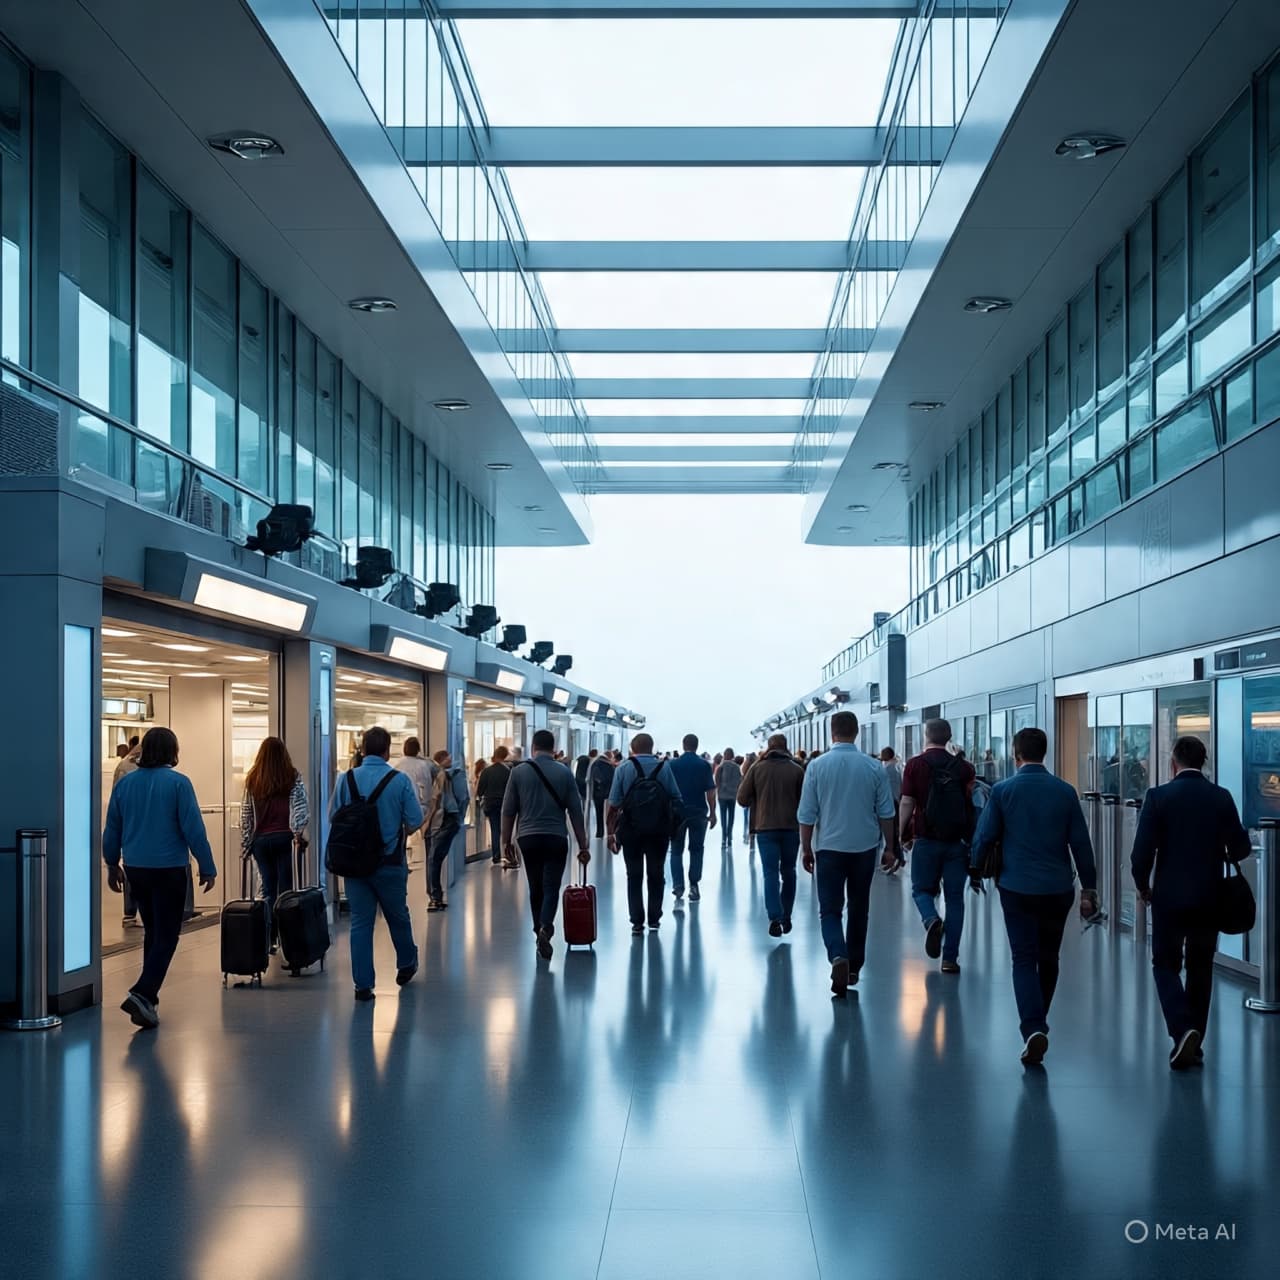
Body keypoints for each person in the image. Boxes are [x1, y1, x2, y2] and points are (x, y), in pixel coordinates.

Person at [969, 727, 1099, 1066]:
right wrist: (1089, 888)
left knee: (1023, 958)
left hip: (1017, 887)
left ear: (1015, 753)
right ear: (1045, 752)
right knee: (1049, 957)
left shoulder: (1003, 790)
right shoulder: (1064, 792)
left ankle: (1033, 1026)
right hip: (1058, 888)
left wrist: (974, 868)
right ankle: (1038, 1019)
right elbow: (1081, 844)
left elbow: (984, 836)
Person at [1130, 735, 1252, 1070]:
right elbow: (1241, 849)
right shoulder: (1221, 797)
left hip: (1168, 898)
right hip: (1210, 896)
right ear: (1204, 762)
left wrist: (1142, 886)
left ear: (1173, 763)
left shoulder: (1158, 797)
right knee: (1200, 967)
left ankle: (1182, 1030)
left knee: (1164, 965)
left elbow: (1141, 854)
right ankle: (1194, 1040)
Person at [102, 727, 217, 1029]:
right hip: (169, 868)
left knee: (153, 932)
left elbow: (112, 827)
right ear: (173, 752)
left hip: (137, 868)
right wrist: (207, 865)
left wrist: (111, 864)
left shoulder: (125, 786)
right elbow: (193, 829)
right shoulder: (179, 784)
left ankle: (149, 1001)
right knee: (168, 935)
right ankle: (143, 991)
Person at [797, 711, 895, 998]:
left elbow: (807, 814)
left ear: (832, 732)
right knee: (859, 907)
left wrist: (806, 848)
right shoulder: (874, 767)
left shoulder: (816, 767)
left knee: (829, 910)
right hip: (864, 848)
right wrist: (890, 847)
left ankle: (837, 954)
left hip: (828, 847)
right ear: (857, 733)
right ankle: (853, 967)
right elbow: (886, 812)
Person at [329, 725, 423, 1001]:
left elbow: (334, 815)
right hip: (390, 862)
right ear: (386, 750)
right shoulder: (400, 780)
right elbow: (415, 820)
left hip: (354, 863)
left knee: (360, 922)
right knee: (398, 916)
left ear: (363, 749)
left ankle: (363, 984)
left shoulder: (345, 779)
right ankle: (406, 963)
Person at [501, 728, 590, 959]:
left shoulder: (519, 772)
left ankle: (537, 928)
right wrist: (583, 845)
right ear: (554, 748)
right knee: (551, 886)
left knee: (535, 886)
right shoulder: (564, 772)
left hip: (528, 838)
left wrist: (505, 841)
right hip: (556, 837)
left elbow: (508, 810)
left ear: (533, 747)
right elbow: (576, 812)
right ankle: (546, 928)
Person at [897, 719, 975, 974]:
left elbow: (907, 802)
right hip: (957, 843)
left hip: (926, 840)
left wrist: (899, 834)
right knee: (955, 900)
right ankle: (950, 958)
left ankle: (931, 919)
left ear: (925, 736)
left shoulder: (915, 765)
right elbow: (971, 805)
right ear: (949, 737)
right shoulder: (965, 768)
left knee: (921, 890)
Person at [607, 732, 683, 934]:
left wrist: (610, 833)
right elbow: (676, 798)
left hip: (630, 831)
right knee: (656, 874)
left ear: (632, 748)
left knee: (634, 875)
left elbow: (614, 804)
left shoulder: (623, 768)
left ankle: (637, 922)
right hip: (658, 831)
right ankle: (654, 919)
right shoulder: (664, 768)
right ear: (651, 748)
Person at [239, 737, 309, 952]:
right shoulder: (291, 776)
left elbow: (246, 813)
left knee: (268, 889)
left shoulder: (253, 779)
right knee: (286, 889)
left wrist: (246, 842)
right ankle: (287, 936)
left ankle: (269, 937)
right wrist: (298, 833)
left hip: (261, 841)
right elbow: (300, 807)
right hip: (286, 839)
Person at [738, 734, 804, 937]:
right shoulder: (797, 770)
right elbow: (806, 802)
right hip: (791, 828)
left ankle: (774, 917)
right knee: (789, 871)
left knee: (770, 873)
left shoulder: (757, 768)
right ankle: (787, 916)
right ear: (786, 747)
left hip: (765, 828)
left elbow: (742, 798)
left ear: (768, 747)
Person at [668, 733, 717, 902]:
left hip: (677, 813)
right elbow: (710, 792)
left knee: (676, 850)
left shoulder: (672, 765)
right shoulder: (704, 765)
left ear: (683, 745)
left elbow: (666, 790)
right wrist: (713, 812)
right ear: (697, 746)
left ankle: (678, 886)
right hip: (698, 812)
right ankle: (694, 886)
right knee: (696, 849)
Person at [424, 748, 471, 908]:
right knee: (436, 857)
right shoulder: (454, 774)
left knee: (434, 858)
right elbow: (463, 798)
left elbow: (437, 799)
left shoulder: (446, 775)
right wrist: (460, 817)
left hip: (444, 818)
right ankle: (435, 895)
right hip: (450, 818)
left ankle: (435, 896)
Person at [393, 737, 435, 866]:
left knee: (400, 837)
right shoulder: (423, 765)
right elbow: (426, 789)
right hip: (417, 806)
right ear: (418, 749)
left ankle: (402, 860)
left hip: (398, 807)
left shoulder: (397, 765)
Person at [475, 746, 513, 865]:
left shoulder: (487, 771)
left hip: (491, 803)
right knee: (506, 829)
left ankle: (496, 855)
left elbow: (480, 790)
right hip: (504, 803)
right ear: (505, 756)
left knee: (494, 829)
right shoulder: (508, 771)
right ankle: (507, 854)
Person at [879, 746, 906, 873]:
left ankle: (896, 856)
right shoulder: (896, 767)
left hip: (889, 803)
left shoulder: (886, 769)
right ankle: (898, 856)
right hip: (896, 801)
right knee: (893, 831)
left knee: (890, 832)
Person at [715, 749, 743, 849]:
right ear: (732, 756)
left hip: (722, 796)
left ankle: (723, 838)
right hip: (732, 796)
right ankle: (730, 837)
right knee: (731, 816)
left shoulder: (720, 767)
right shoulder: (737, 767)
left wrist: (720, 789)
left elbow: (717, 781)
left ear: (724, 755)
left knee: (723, 817)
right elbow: (741, 780)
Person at [586, 747, 616, 840]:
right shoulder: (609, 765)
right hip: (608, 791)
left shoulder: (596, 762)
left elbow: (594, 776)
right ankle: (609, 832)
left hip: (597, 791)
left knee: (599, 812)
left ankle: (600, 832)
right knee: (609, 814)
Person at [740, 752, 758, 850]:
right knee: (754, 815)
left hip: (748, 795)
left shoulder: (745, 768)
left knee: (746, 815)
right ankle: (753, 835)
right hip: (755, 796)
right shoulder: (757, 767)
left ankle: (747, 832)